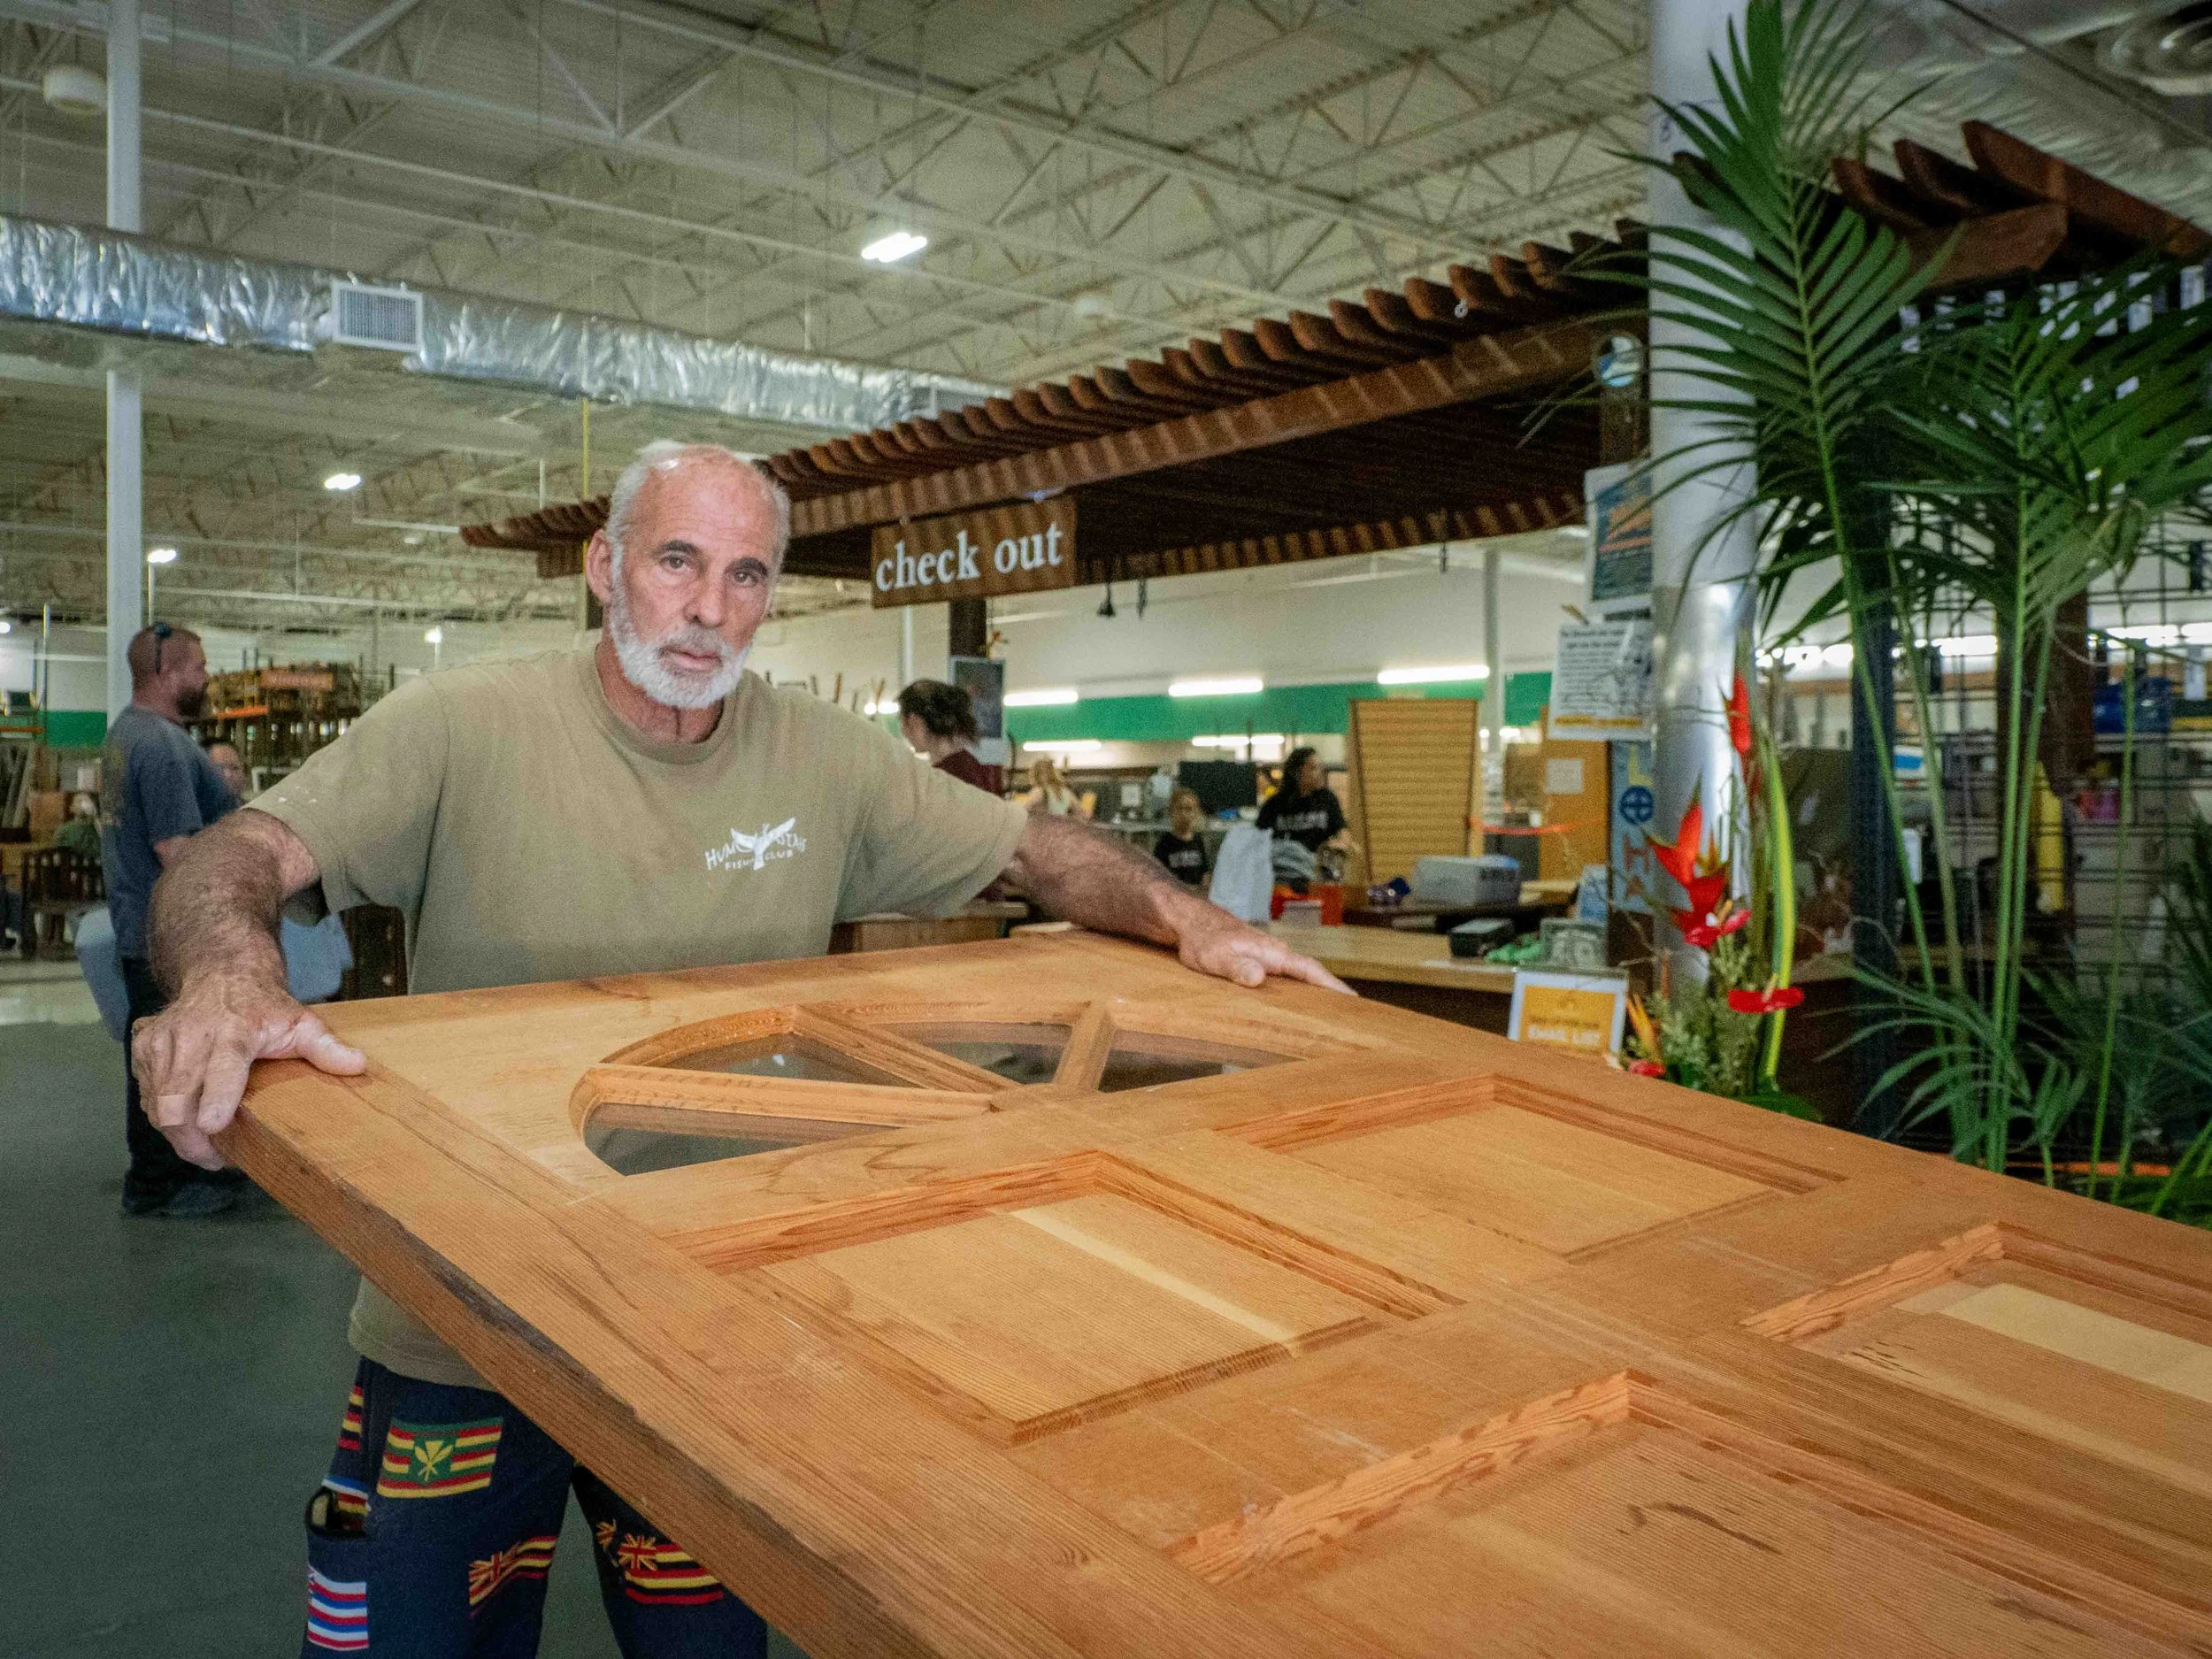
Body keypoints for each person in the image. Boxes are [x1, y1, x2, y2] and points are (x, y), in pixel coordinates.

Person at [132, 440, 1347, 1659]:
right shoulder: (461, 724)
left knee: (709, 1645)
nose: (712, 608)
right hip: (463, 1320)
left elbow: (1039, 851)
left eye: (750, 574)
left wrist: (1196, 920)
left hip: (713, 1331)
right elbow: (237, 854)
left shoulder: (827, 757)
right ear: (607, 565)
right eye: (678, 560)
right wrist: (231, 975)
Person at [101, 622, 242, 1219]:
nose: (206, 677)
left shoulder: (125, 734)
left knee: (159, 1050)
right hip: (168, 935)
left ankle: (174, 1170)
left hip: (145, 925)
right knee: (167, 1054)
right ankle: (158, 1182)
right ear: (166, 674)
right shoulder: (159, 746)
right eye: (198, 666)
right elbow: (177, 852)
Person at [896, 678, 1002, 795]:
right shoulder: (973, 767)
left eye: (902, 722)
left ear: (914, 720)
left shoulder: (942, 779)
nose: (903, 732)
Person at [1153, 787, 1211, 888]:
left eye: (1189, 809)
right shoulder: (1164, 843)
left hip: (1195, 898)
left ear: (1196, 813)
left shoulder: (1198, 840)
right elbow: (1157, 876)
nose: (1183, 814)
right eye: (1180, 809)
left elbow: (1205, 872)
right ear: (1171, 812)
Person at [1022, 754, 1089, 818]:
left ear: (1035, 775)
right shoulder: (1066, 792)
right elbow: (1081, 812)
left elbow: (1024, 810)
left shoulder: (1039, 791)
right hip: (1062, 827)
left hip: (1044, 827)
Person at [54, 791, 101, 861]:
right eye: (78, 802)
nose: (83, 805)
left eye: (85, 801)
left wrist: (95, 817)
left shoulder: (96, 827)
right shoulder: (66, 829)